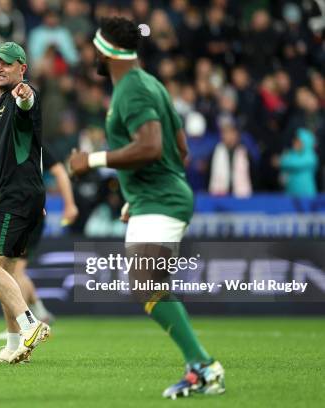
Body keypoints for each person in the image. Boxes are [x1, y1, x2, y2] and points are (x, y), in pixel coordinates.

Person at [69, 17, 225, 399]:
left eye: (94, 47)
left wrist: (91, 160)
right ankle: (200, 367)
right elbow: (180, 149)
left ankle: (203, 366)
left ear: (106, 51)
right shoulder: (150, 83)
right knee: (149, 286)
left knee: (146, 284)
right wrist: (135, 194)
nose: (92, 54)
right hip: (155, 196)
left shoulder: (131, 89)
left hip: (162, 199)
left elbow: (152, 146)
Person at [0, 42, 51, 364]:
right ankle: (14, 345)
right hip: (21, 195)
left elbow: (28, 103)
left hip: (15, 197)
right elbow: (35, 150)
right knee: (4, 268)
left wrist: (25, 96)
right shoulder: (4, 102)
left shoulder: (20, 97)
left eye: (5, 63)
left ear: (22, 67)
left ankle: (30, 323)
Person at [0, 146, 79, 341]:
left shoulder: (29, 144)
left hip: (26, 212)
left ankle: (22, 325)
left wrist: (69, 204)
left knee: (14, 272)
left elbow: (59, 170)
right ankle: (38, 313)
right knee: (13, 271)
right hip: (16, 211)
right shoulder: (8, 145)